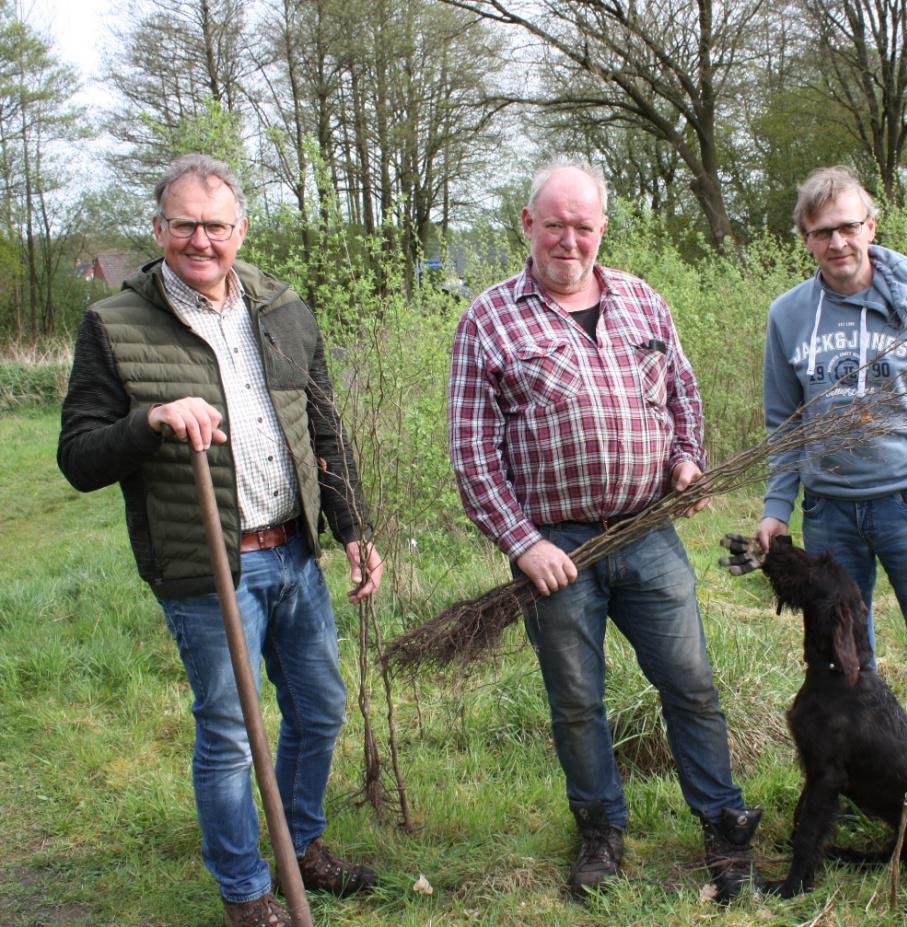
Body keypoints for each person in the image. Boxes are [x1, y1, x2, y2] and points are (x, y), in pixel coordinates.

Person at [58, 154, 383, 927]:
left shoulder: (283, 307)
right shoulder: (114, 324)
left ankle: (300, 845)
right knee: (231, 731)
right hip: (209, 563)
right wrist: (151, 421)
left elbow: (324, 427)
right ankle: (247, 896)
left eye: (216, 224)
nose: (200, 239)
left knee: (320, 709)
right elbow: (78, 457)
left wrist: (354, 529)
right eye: (184, 224)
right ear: (158, 227)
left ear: (240, 229)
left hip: (294, 552)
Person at [449, 160, 759, 899]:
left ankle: (723, 825)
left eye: (582, 225)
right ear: (528, 225)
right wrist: (522, 543)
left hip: (649, 533)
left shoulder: (645, 302)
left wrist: (688, 463)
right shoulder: (488, 319)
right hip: (557, 550)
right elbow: (471, 450)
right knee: (579, 699)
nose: (568, 239)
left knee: (690, 683)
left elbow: (683, 393)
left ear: (602, 230)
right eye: (553, 223)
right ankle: (600, 833)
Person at [755, 166, 907, 792]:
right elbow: (785, 425)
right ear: (805, 239)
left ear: (871, 226)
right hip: (830, 515)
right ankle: (877, 785)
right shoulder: (789, 316)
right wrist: (779, 507)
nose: (838, 243)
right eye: (821, 231)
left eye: (848, 227)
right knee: (852, 666)